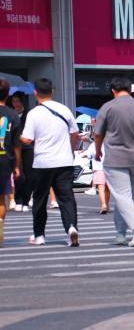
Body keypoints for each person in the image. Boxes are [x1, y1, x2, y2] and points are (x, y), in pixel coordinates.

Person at [94, 77, 134, 247]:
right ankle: (120, 233)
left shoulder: (108, 107)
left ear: (113, 90)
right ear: (130, 89)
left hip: (115, 157)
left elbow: (98, 133)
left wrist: (98, 150)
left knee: (122, 195)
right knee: (125, 196)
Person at [21, 78, 80, 246]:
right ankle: (71, 228)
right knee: (66, 198)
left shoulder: (33, 113)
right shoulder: (64, 109)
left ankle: (39, 235)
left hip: (42, 163)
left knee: (40, 199)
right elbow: (75, 133)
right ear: (52, 91)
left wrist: (19, 137)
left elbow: (27, 139)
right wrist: (71, 150)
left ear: (35, 93)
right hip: (64, 161)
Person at [0, 79, 22, 246]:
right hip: (4, 161)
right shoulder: (13, 115)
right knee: (1, 200)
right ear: (7, 95)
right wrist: (16, 166)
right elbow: (16, 146)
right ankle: (0, 230)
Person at [11, 92, 31, 212]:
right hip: (15, 147)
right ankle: (18, 200)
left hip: (27, 147)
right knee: (19, 175)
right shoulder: (10, 114)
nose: (15, 104)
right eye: (13, 101)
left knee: (29, 175)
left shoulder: (28, 114)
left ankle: (26, 200)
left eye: (17, 101)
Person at [83, 120, 109, 214]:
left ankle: (103, 205)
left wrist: (82, 154)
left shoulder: (93, 145)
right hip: (109, 168)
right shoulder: (108, 143)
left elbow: (88, 154)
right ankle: (107, 204)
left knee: (101, 187)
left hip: (99, 168)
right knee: (107, 188)